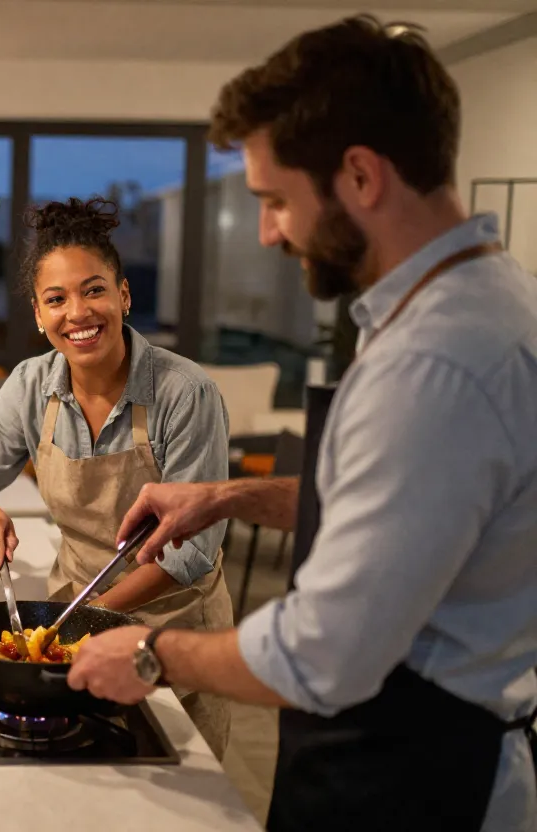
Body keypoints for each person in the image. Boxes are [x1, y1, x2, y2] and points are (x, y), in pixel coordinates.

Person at [67, 16, 537, 831]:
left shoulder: (433, 361)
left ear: (360, 176)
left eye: (277, 199)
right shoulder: (490, 303)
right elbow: (407, 515)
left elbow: (322, 652)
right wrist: (224, 498)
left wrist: (149, 652)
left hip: (414, 785)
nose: (267, 231)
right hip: (417, 758)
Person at [0, 197, 234, 757]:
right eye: (57, 299)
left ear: (123, 295)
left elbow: (192, 551)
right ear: (37, 313)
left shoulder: (184, 392)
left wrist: (83, 625)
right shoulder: (30, 385)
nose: (77, 313)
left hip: (173, 636)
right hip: (77, 627)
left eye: (93, 290)